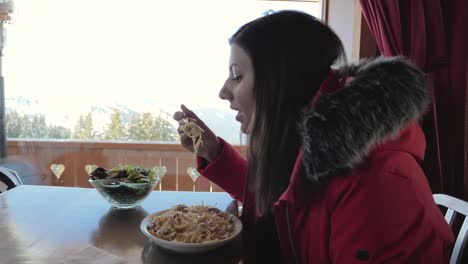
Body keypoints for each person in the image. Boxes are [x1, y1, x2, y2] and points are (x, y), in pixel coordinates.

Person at [173, 10, 453, 263]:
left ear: (280, 83)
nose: (224, 91)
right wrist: (213, 152)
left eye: (237, 75)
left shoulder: (376, 184)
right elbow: (283, 196)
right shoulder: (314, 147)